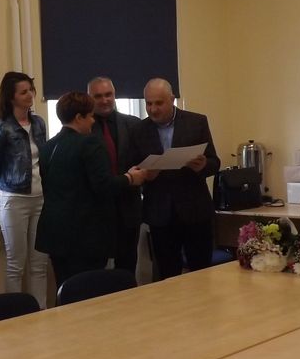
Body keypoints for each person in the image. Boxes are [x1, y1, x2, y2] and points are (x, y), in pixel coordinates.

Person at [35, 91, 148, 289]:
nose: (93, 121)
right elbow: (103, 185)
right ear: (79, 118)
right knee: (88, 291)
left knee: (66, 290)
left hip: (55, 233)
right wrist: (130, 178)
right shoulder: (90, 143)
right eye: (90, 116)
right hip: (85, 235)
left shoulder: (48, 146)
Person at [130, 78, 221, 280]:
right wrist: (145, 175)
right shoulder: (138, 130)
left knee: (201, 274)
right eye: (148, 103)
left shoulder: (196, 122)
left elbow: (215, 162)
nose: (153, 109)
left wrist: (203, 165)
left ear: (172, 99)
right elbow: (133, 168)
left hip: (195, 211)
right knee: (166, 275)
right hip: (159, 214)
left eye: (158, 103)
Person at [0, 72, 49, 308]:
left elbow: (44, 158)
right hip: (14, 199)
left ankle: (40, 311)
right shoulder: (2, 127)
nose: (30, 95)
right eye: (23, 92)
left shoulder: (39, 123)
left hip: (41, 199)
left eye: (31, 90)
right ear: (11, 97)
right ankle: (15, 313)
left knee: (39, 263)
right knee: (15, 263)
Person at [87, 76, 142, 275]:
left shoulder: (133, 124)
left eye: (108, 94)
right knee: (94, 271)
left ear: (115, 94)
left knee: (127, 267)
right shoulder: (83, 129)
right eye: (98, 96)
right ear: (89, 98)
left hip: (128, 208)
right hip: (95, 211)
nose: (104, 100)